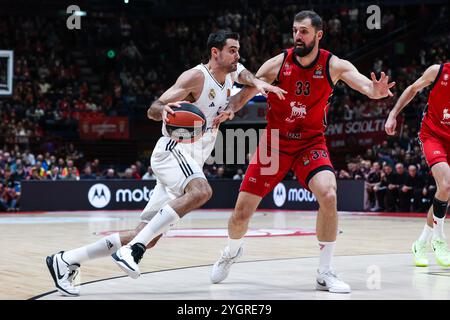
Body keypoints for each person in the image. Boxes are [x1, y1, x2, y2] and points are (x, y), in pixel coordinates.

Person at [45, 30, 286, 296]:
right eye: (232, 50)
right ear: (215, 53)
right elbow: (153, 108)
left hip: (192, 159)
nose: (237, 55)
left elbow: (245, 75)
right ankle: (132, 251)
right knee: (201, 192)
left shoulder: (231, 72)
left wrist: (249, 93)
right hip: (173, 150)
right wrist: (165, 110)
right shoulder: (195, 77)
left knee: (148, 235)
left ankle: (65, 260)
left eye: (238, 50)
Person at [210, 10, 395, 294]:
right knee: (240, 216)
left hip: (310, 143)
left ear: (319, 35)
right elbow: (248, 90)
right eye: (295, 30)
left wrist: (377, 91)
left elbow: (367, 87)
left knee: (329, 193)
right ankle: (232, 250)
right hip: (274, 144)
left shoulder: (334, 64)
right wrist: (229, 109)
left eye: (304, 31)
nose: (298, 36)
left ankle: (325, 271)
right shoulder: (278, 63)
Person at [385, 62, 450, 267]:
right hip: (433, 136)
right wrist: (393, 114)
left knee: (444, 191)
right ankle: (440, 240)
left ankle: (421, 242)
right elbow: (412, 88)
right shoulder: (438, 71)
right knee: (446, 184)